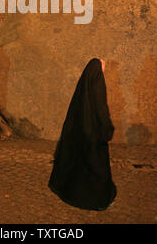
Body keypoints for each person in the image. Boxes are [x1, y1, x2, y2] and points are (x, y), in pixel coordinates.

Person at [48, 57, 116, 211]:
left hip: (83, 131)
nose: (104, 70)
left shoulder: (84, 85)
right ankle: (98, 199)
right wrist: (107, 128)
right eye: (103, 67)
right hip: (93, 134)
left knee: (82, 164)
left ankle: (76, 192)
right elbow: (101, 107)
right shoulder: (98, 83)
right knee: (97, 167)